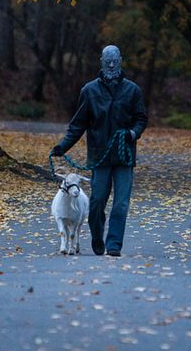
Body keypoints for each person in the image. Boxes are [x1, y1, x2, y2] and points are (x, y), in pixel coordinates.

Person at [50, 45, 147, 257]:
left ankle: (114, 245)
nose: (111, 65)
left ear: (121, 60)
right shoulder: (89, 91)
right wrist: (62, 146)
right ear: (101, 61)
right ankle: (96, 236)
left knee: (121, 204)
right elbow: (78, 125)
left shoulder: (132, 90)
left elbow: (141, 118)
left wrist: (133, 133)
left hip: (124, 156)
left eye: (115, 61)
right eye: (107, 61)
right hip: (99, 156)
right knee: (96, 203)